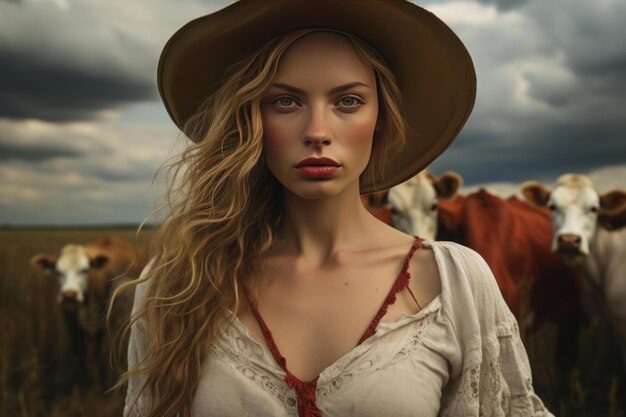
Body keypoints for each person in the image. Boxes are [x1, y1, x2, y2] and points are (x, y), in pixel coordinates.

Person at [116, 1, 554, 416]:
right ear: (249, 118)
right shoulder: (176, 285)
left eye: (348, 101)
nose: (318, 132)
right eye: (285, 101)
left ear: (381, 116)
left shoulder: (452, 283)